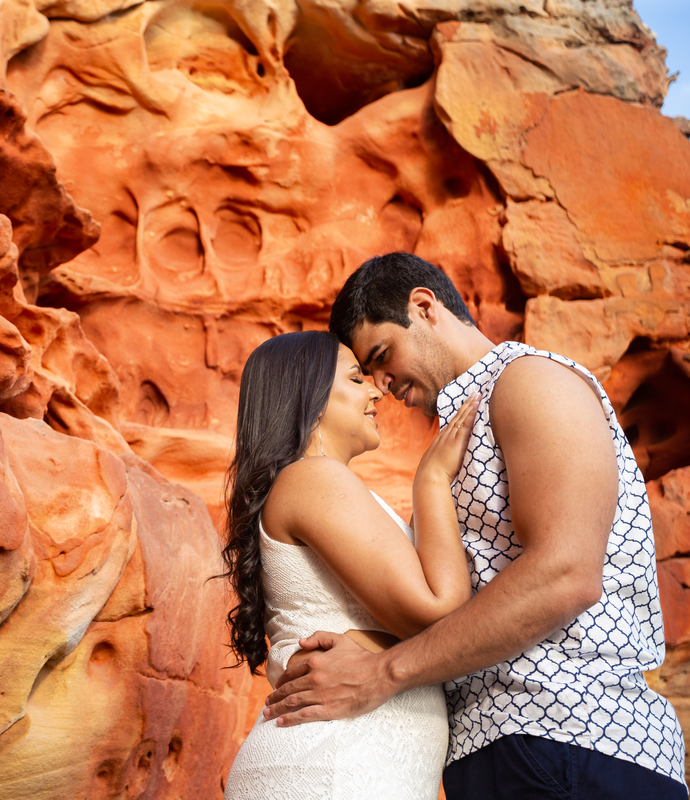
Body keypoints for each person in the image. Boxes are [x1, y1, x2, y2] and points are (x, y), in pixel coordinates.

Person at [263, 252, 687, 799]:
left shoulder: (531, 381)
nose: (382, 385)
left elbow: (566, 575)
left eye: (382, 356)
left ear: (424, 307)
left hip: (575, 735)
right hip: (496, 752)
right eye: (366, 373)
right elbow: (453, 614)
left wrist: (384, 671)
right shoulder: (458, 438)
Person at [221, 329, 480, 799]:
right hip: (328, 767)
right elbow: (440, 614)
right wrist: (432, 479)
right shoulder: (314, 477)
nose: (377, 391)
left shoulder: (319, 485)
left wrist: (369, 646)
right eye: (357, 378)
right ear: (310, 395)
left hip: (339, 765)